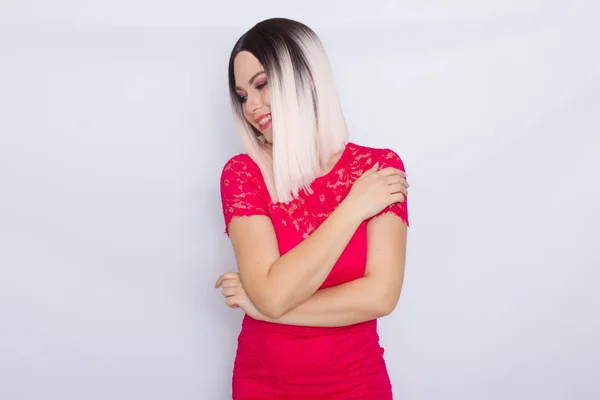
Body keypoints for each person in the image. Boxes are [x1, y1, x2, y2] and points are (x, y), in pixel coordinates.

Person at [214, 17, 410, 399]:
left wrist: (262, 307)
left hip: (358, 383)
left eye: (261, 84)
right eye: (242, 95)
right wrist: (353, 208)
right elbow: (271, 293)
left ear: (303, 75)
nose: (251, 106)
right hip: (264, 386)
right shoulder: (243, 174)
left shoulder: (379, 169)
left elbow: (380, 297)